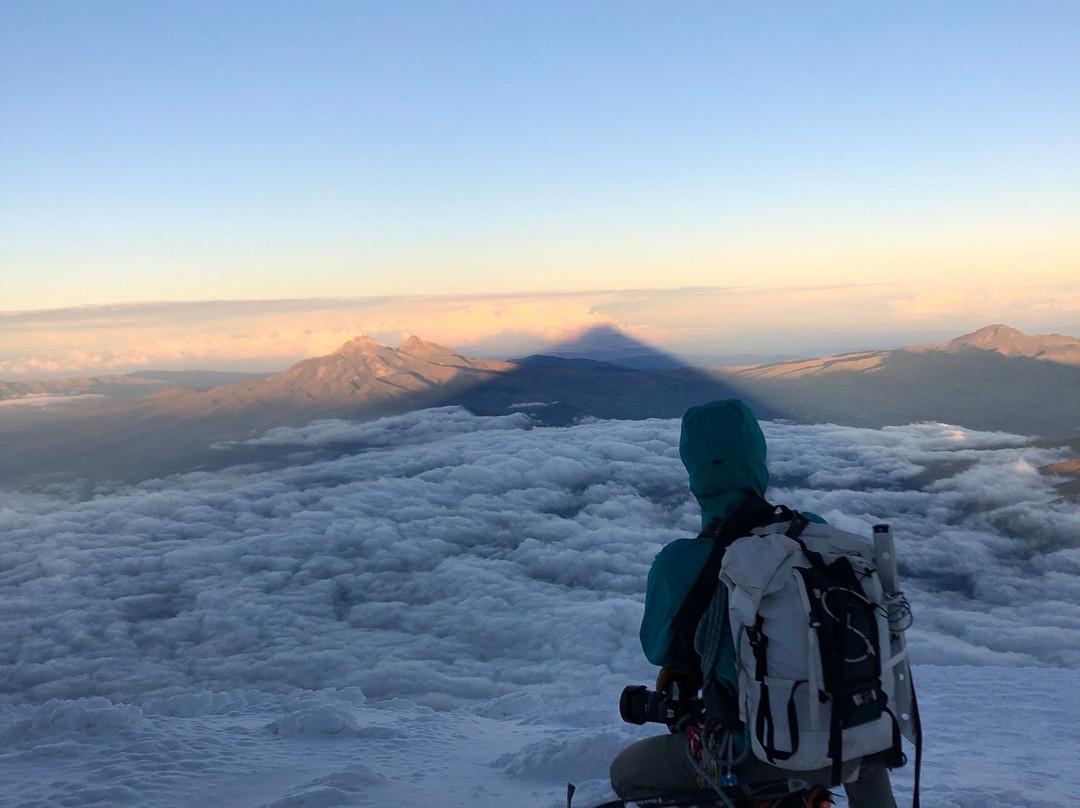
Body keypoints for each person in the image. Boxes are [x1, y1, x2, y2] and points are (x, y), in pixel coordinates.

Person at [610, 399, 899, 808]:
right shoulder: (816, 537)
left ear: (694, 472)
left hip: (758, 751)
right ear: (757, 461)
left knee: (625, 773)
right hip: (854, 739)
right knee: (859, 755)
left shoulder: (679, 564)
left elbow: (660, 651)